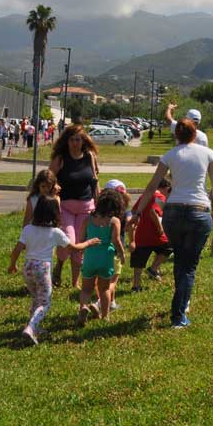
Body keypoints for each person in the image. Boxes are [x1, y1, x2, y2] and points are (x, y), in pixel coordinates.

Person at [136, 118, 213, 329]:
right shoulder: (208, 153)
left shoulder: (170, 155)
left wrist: (136, 212)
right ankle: (179, 314)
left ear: (177, 135)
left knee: (180, 260)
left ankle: (181, 303)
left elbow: (152, 186)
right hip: (199, 211)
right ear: (195, 133)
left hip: (172, 213)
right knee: (189, 266)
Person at [9, 197, 98, 344]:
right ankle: (30, 328)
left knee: (36, 298)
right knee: (45, 303)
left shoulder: (28, 229)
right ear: (56, 213)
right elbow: (73, 248)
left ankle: (35, 327)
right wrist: (88, 242)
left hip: (28, 268)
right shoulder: (55, 232)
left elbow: (17, 249)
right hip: (42, 269)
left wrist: (12, 264)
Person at [48, 125, 100, 289]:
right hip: (65, 207)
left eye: (78, 140)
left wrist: (99, 202)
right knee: (68, 241)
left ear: (83, 141)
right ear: (67, 141)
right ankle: (59, 265)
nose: (75, 143)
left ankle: (75, 281)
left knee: (80, 244)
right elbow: (49, 178)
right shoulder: (60, 158)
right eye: (72, 140)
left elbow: (94, 180)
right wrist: (54, 186)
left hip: (86, 207)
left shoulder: (89, 156)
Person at [76, 188, 125, 325]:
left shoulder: (88, 219)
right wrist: (122, 254)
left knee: (86, 289)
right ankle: (105, 316)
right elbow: (116, 240)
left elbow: (81, 237)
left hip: (90, 257)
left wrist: (82, 249)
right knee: (104, 289)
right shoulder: (114, 221)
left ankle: (83, 307)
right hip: (106, 258)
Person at [127, 178, 171, 290]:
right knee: (169, 247)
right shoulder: (160, 197)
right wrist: (160, 228)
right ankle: (154, 268)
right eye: (169, 190)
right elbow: (153, 211)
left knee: (138, 263)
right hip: (156, 235)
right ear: (165, 188)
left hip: (141, 235)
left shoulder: (144, 196)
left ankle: (136, 285)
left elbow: (134, 211)